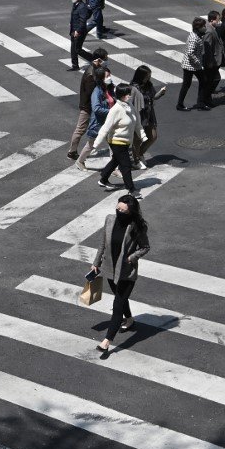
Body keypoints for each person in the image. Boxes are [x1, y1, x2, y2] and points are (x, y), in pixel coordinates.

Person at [90, 195, 150, 353]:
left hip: (126, 272)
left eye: (123, 210)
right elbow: (103, 243)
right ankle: (129, 319)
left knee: (117, 305)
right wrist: (96, 263)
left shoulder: (137, 226)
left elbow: (145, 247)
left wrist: (132, 257)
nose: (119, 212)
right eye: (118, 209)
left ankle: (107, 340)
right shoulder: (109, 219)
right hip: (109, 269)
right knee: (120, 299)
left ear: (131, 212)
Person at [94, 83, 147, 197]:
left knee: (116, 161)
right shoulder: (116, 110)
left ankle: (103, 179)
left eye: (129, 93)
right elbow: (106, 127)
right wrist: (97, 143)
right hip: (116, 141)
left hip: (126, 141)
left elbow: (137, 123)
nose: (130, 96)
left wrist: (142, 136)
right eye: (127, 94)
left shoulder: (130, 106)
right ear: (121, 95)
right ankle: (131, 189)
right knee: (126, 165)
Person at [69, 48, 109, 161]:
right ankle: (72, 152)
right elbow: (93, 94)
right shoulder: (91, 74)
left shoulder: (96, 69)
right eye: (106, 58)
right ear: (100, 60)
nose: (107, 60)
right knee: (81, 129)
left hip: (90, 106)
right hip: (87, 106)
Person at [76, 66, 113, 170]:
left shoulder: (109, 89)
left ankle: (115, 166)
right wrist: (111, 111)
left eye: (110, 75)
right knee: (91, 144)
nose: (110, 77)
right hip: (98, 123)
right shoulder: (96, 91)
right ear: (101, 78)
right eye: (107, 76)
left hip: (109, 122)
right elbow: (96, 108)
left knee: (112, 144)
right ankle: (80, 161)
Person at [129, 66, 165, 168]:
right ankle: (136, 160)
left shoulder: (148, 85)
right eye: (147, 76)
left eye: (149, 76)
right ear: (140, 76)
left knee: (152, 136)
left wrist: (160, 94)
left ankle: (139, 154)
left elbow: (153, 97)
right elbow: (131, 102)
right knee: (138, 139)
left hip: (149, 114)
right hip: (139, 115)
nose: (148, 78)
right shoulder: (134, 87)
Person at [175, 17, 208, 111]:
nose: (205, 27)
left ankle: (200, 103)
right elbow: (190, 53)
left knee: (202, 81)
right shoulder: (194, 38)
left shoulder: (196, 35)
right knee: (187, 84)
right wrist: (198, 63)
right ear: (199, 27)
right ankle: (180, 104)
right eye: (203, 26)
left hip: (192, 65)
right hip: (190, 66)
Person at [201, 10, 225, 107]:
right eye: (217, 20)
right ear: (212, 20)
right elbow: (207, 48)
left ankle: (206, 98)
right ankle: (206, 98)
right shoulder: (209, 31)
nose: (219, 22)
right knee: (213, 80)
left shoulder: (211, 28)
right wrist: (210, 61)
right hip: (211, 61)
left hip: (213, 60)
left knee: (211, 80)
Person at [69, 0, 91, 70]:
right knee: (73, 49)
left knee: (77, 49)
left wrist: (77, 31)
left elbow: (83, 21)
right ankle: (75, 66)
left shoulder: (82, 7)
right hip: (73, 30)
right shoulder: (76, 5)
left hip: (79, 32)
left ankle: (94, 59)